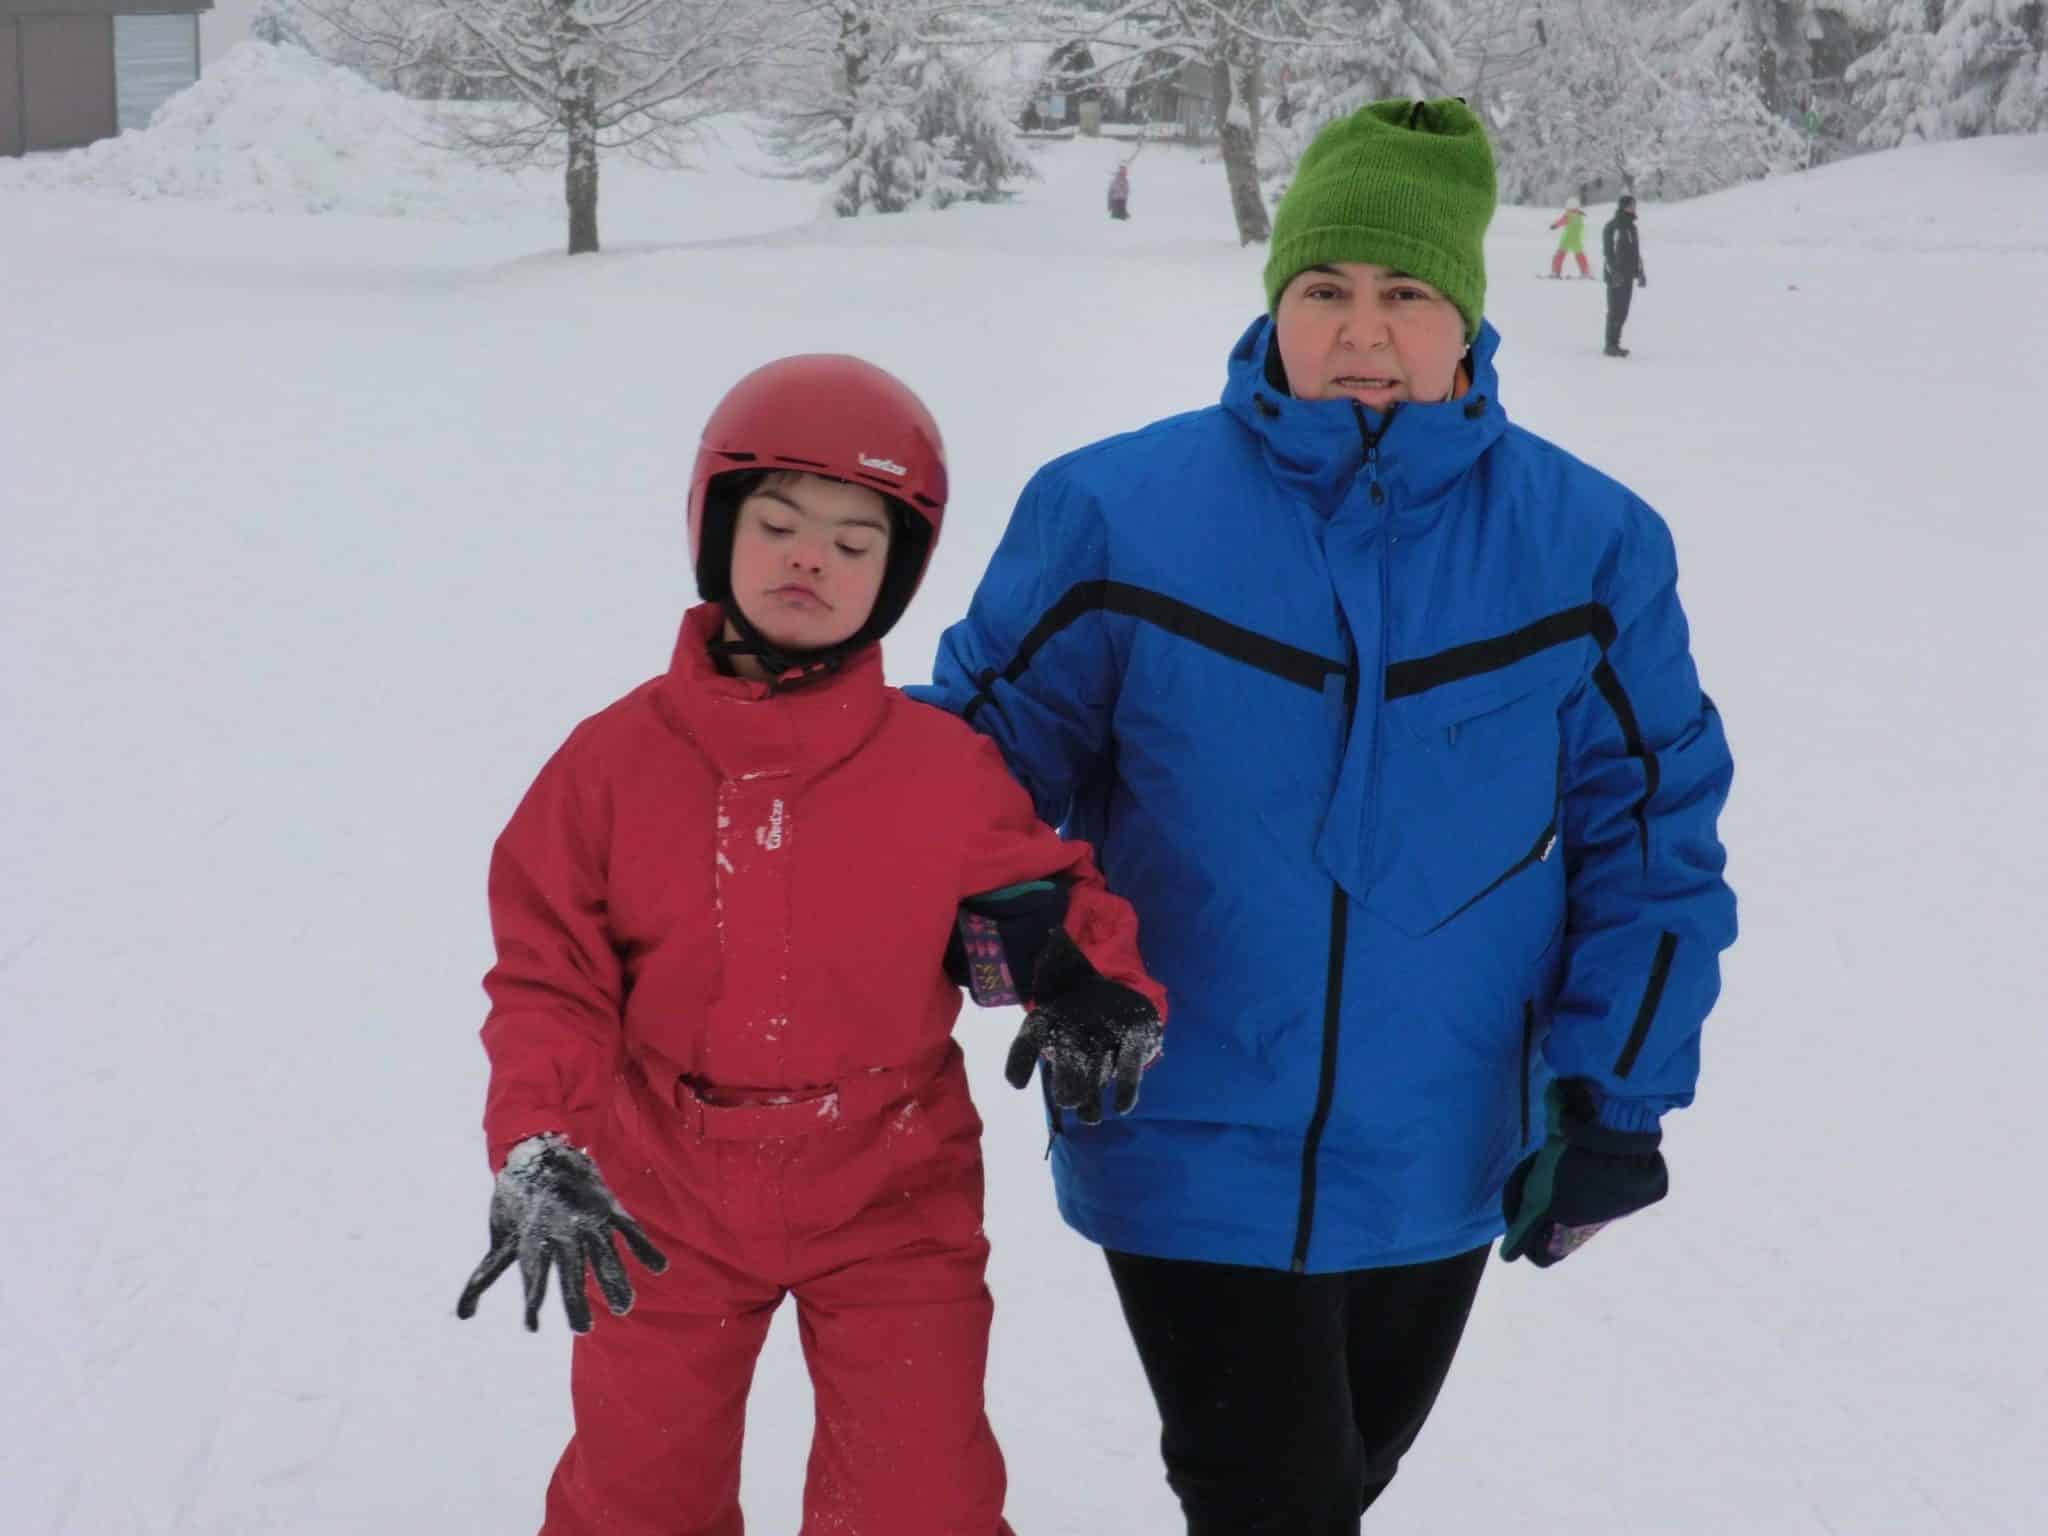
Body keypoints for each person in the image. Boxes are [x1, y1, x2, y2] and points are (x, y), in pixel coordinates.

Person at [915, 99, 1735, 1533]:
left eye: (1405, 293)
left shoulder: (1589, 546)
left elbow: (1655, 833)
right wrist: (1018, 921)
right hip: (1182, 1120)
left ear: (1466, 318)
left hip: (1444, 1137)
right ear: (1277, 302)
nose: (1363, 330)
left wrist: (1618, 1092)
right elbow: (968, 775)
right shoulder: (1118, 514)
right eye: (1326, 290)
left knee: (1341, 1479)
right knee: (1273, 1497)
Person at [454, 354, 1167, 1536]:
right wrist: (541, 1134)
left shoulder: (939, 770)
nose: (809, 559)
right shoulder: (609, 767)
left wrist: (1097, 984)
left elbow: (1054, 893)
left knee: (916, 1494)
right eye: (778, 523)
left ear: (893, 580)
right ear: (716, 532)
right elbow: (547, 980)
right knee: (639, 1492)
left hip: (890, 1183)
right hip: (662, 1184)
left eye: (852, 543)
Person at [1603, 192, 1648, 356]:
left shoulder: (1632, 228)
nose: (1633, 208)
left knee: (1623, 311)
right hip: (1616, 275)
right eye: (1630, 205)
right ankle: (1610, 345)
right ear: (1623, 207)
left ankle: (1616, 343)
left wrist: (1640, 272)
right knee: (1615, 310)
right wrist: (1613, 272)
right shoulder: (1613, 227)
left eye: (1634, 205)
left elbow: (1635, 253)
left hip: (1628, 275)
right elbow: (1607, 253)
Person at [1549, 199, 1589, 277]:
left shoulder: (1568, 215)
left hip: (1567, 239)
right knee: (1580, 257)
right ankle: (1585, 272)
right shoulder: (1579, 216)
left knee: (1559, 256)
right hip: (1577, 240)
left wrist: (1554, 225)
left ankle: (1555, 272)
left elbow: (1561, 221)